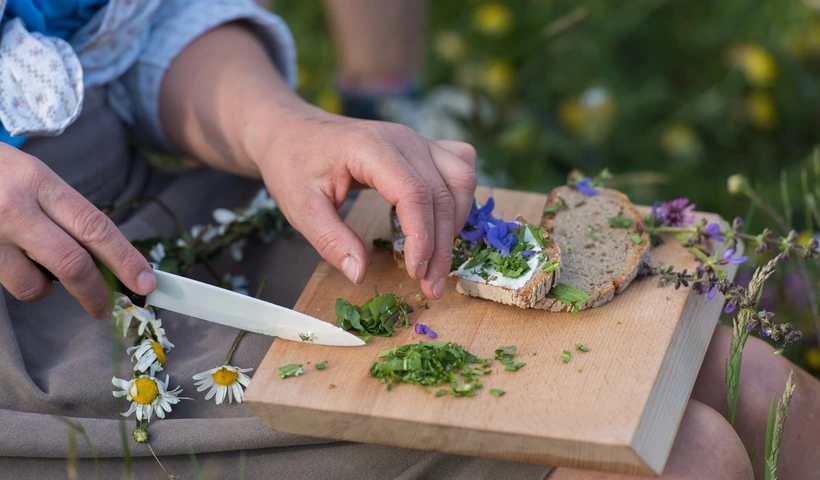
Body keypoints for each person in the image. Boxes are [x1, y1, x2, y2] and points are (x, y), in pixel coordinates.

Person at [0, 2, 810, 479]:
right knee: (688, 453)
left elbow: (134, 37)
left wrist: (283, 127)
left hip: (172, 211)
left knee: (747, 374)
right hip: (43, 315)